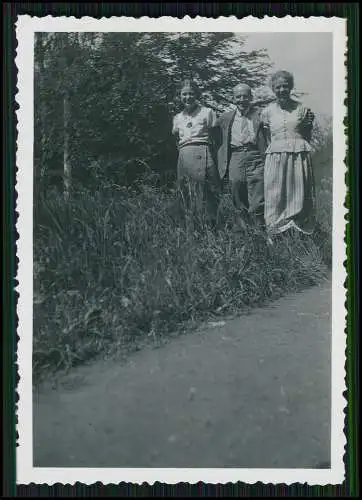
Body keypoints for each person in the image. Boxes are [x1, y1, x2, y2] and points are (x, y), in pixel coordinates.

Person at [261, 70, 316, 238]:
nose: (282, 90)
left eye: (285, 86)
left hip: (298, 155)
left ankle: (300, 233)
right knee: (274, 193)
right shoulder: (267, 112)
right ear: (273, 89)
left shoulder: (302, 109)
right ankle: (274, 232)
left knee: (298, 193)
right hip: (275, 156)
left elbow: (307, 135)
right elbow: (266, 136)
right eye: (278, 87)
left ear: (291, 87)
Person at [213, 84, 267, 230]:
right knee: (236, 190)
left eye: (245, 96)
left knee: (258, 194)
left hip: (256, 155)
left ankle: (259, 231)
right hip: (236, 156)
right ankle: (242, 231)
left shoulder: (261, 114)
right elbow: (210, 133)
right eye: (238, 97)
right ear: (233, 98)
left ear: (251, 97)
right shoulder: (225, 118)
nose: (242, 100)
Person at [172, 79, 221, 226]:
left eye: (191, 94)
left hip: (203, 152)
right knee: (185, 191)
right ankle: (190, 226)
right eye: (184, 94)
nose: (188, 97)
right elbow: (176, 138)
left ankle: (210, 225)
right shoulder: (178, 117)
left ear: (197, 94)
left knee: (207, 191)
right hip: (184, 154)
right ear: (180, 96)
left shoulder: (207, 112)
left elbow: (216, 137)